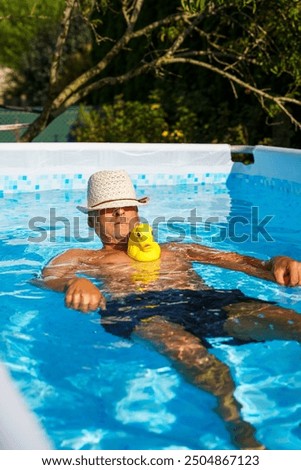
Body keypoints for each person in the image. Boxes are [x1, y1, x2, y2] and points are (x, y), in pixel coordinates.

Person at [41, 169, 301, 450]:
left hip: (204, 301)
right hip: (141, 311)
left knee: (292, 322)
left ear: (137, 213)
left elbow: (241, 262)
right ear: (92, 222)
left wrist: (277, 262)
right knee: (196, 358)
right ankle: (241, 430)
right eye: (107, 211)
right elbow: (49, 276)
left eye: (125, 207)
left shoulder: (176, 249)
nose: (118, 215)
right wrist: (74, 282)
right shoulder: (84, 258)